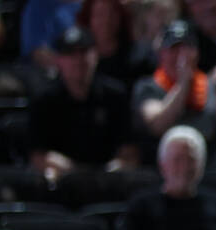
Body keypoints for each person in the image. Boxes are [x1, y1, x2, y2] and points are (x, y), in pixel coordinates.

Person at [27, 25, 138, 178]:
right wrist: (75, 173)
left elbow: (129, 152)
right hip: (61, 182)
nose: (79, 60)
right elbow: (38, 156)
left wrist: (111, 171)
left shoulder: (115, 96)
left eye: (84, 52)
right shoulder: (44, 100)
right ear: (59, 60)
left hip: (107, 183)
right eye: (71, 53)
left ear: (95, 56)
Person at [131, 19, 216, 165]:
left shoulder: (211, 85)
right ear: (162, 54)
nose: (181, 57)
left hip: (209, 170)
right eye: (174, 49)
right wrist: (183, 83)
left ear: (197, 53)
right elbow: (158, 125)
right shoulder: (148, 86)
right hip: (162, 173)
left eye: (186, 49)